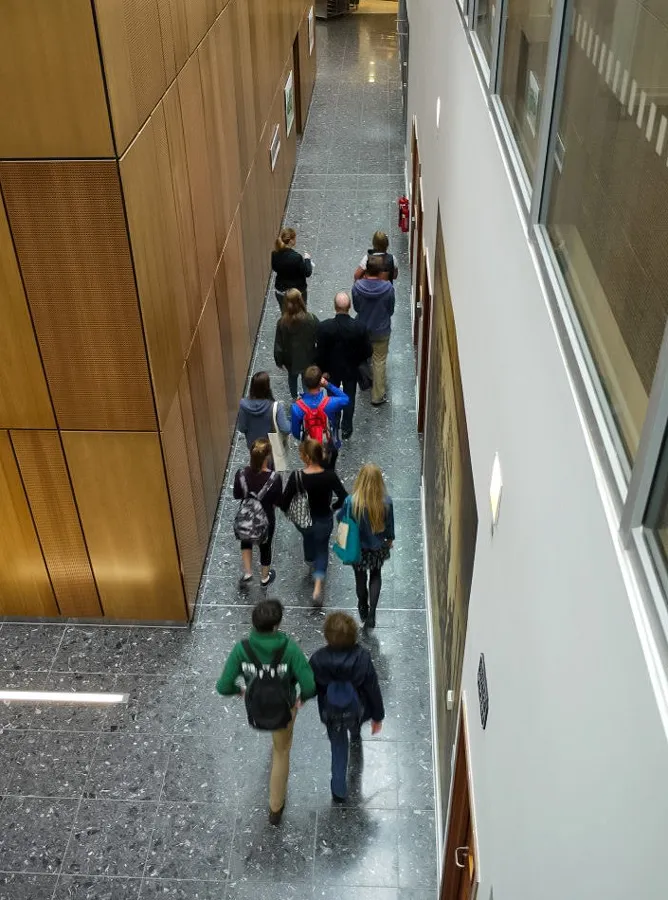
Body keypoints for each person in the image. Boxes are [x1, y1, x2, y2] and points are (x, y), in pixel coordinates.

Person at [216, 599, 316, 825]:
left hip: (257, 708)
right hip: (284, 710)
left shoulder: (242, 649)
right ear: (276, 626)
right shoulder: (289, 648)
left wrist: (239, 690)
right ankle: (275, 807)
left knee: (277, 745)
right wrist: (303, 698)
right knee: (281, 753)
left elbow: (223, 686)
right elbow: (309, 685)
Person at [309, 612, 384, 802]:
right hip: (355, 709)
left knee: (338, 747)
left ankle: (339, 789)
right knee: (354, 723)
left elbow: (311, 686)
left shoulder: (318, 659)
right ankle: (356, 734)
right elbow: (372, 688)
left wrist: (301, 697)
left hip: (331, 712)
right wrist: (377, 716)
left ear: (326, 635)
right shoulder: (362, 658)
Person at [282, 439, 347, 604]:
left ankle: (310, 562)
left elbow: (284, 502)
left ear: (307, 458)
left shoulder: (297, 477)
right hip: (324, 520)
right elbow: (344, 497)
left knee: (308, 540)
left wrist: (289, 512)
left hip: (304, 522)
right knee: (322, 551)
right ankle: (318, 587)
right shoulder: (330, 476)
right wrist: (334, 507)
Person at [340, 463, 394, 627]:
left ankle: (362, 605)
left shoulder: (351, 501)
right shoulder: (386, 502)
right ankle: (372, 613)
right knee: (376, 575)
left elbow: (345, 524)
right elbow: (390, 526)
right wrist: (389, 541)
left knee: (360, 578)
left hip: (358, 549)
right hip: (377, 547)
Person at [316, 292, 372, 440]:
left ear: (334, 307)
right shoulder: (359, 327)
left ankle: (334, 423)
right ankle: (347, 427)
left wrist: (322, 370)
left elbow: (320, 353)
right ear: (350, 307)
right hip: (351, 370)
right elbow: (367, 351)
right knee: (349, 398)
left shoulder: (324, 327)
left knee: (332, 398)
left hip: (331, 372)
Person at [233, 439, 283, 587]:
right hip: (266, 517)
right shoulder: (274, 478)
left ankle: (248, 572)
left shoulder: (241, 474)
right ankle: (264, 577)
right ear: (267, 457)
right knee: (265, 547)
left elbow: (237, 494)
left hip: (247, 515)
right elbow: (278, 501)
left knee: (246, 540)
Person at [351, 255, 396, 406]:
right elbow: (390, 309)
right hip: (381, 330)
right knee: (379, 360)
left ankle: (365, 381)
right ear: (379, 271)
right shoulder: (388, 288)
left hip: (362, 328)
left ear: (367, 270)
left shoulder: (357, 287)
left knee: (363, 356)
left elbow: (356, 307)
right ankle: (377, 396)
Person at [291, 365, 349, 470]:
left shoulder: (297, 407)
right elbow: (345, 399)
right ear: (320, 382)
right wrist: (328, 385)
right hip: (328, 446)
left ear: (304, 382)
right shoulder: (329, 403)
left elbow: (295, 433)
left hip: (310, 449)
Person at [274, 289, 319, 399]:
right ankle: (307, 400)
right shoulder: (311, 319)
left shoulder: (282, 322)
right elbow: (320, 338)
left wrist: (279, 361)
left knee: (292, 378)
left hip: (290, 360)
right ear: (301, 301)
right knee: (307, 379)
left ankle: (295, 397)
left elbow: (278, 345)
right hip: (308, 357)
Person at [238, 372, 290, 449]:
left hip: (253, 446)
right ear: (267, 387)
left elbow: (242, 428)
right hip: (271, 446)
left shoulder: (243, 405)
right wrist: (291, 422)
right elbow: (285, 429)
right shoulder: (276, 406)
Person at [271, 227, 313, 308]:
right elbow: (307, 272)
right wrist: (307, 259)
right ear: (291, 241)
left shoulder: (274, 253)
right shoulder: (296, 257)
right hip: (297, 292)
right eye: (295, 238)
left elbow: (275, 268)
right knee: (301, 316)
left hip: (281, 291)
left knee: (285, 315)